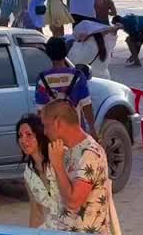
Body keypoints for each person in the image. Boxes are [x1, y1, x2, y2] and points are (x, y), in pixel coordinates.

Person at [42, 99, 113, 234]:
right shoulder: (65, 150)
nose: (45, 132)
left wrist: (58, 166)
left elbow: (74, 202)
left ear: (58, 123)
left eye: (46, 126)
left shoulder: (90, 153)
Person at [34, 37, 97, 132]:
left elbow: (40, 111)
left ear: (48, 54)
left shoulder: (41, 80)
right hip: (76, 133)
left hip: (54, 135)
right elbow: (86, 105)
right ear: (65, 52)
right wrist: (92, 129)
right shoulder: (78, 76)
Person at [17, 114, 63, 228]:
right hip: (51, 228)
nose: (23, 140)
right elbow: (36, 211)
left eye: (29, 134)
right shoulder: (28, 174)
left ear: (40, 135)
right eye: (20, 135)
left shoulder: (59, 156)